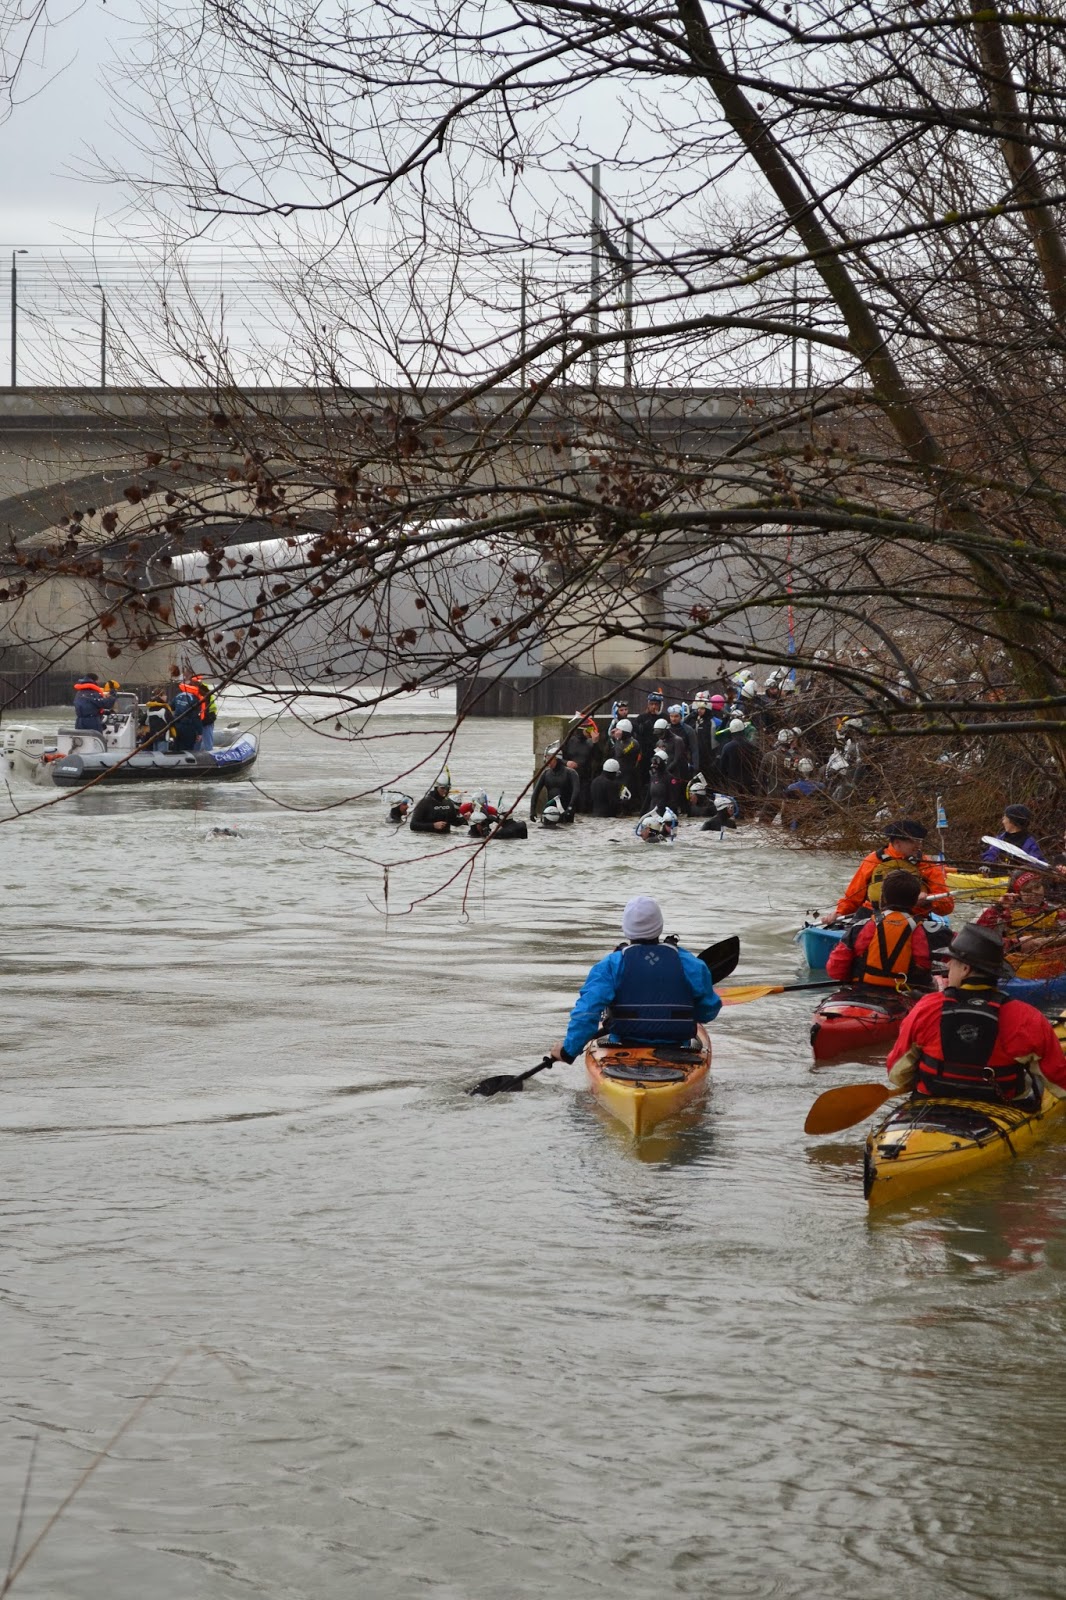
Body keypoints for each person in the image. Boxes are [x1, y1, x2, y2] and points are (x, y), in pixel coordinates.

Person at [885, 924, 1066, 1103]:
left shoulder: (927, 1007)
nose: (948, 970)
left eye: (951, 964)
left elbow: (896, 1072)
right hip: (1000, 1106)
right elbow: (1059, 1081)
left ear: (965, 969)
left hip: (931, 1100)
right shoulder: (1027, 1017)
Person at [549, 895, 721, 1062]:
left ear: (626, 928)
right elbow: (708, 1011)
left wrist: (568, 1051)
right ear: (659, 926)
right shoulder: (692, 964)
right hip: (677, 1047)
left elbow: (587, 1011)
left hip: (622, 1044)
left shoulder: (610, 965)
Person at [828, 819, 954, 923]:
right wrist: (838, 913)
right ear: (897, 842)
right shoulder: (873, 861)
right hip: (872, 917)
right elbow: (853, 897)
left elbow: (947, 906)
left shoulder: (927, 865)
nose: (919, 845)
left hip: (913, 919)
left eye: (920, 841)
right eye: (913, 841)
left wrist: (928, 901)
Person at [825, 871, 933, 990]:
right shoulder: (926, 930)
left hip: (862, 990)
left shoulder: (860, 926)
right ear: (914, 901)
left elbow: (835, 970)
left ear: (883, 898)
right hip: (906, 992)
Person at [974, 871, 1066, 978]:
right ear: (1019, 893)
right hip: (1016, 962)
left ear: (1043, 888)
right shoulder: (1008, 913)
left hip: (1048, 960)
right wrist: (997, 908)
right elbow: (981, 935)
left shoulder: (1058, 912)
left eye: (1037, 887)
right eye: (1027, 891)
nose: (1034, 894)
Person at [981, 804, 1046, 867]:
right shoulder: (1001, 838)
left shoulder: (1029, 843)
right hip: (998, 874)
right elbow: (992, 852)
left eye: (1005, 818)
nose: (1003, 822)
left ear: (1012, 821)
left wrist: (1022, 871)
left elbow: (1037, 863)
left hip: (1017, 876)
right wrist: (987, 863)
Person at [530, 746, 579, 820]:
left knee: (566, 829)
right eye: (546, 758)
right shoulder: (546, 774)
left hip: (566, 810)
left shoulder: (571, 773)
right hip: (550, 810)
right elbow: (536, 793)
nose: (547, 761)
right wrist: (532, 810)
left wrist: (570, 807)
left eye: (550, 759)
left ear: (558, 759)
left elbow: (576, 792)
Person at [715, 717, 759, 793]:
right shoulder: (751, 746)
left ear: (731, 731)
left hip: (733, 784)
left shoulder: (727, 747)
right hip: (749, 783)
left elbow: (722, 768)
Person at [608, 718, 642, 805]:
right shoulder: (619, 741)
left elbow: (620, 753)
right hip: (618, 772)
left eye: (618, 730)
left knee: (625, 792)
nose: (616, 732)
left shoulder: (633, 742)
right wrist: (611, 739)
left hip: (628, 773)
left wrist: (617, 739)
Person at [170, 684, 203, 753]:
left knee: (177, 745)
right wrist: (199, 732)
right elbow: (195, 717)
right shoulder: (194, 698)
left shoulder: (178, 696)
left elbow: (171, 707)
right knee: (188, 747)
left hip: (177, 724)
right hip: (188, 726)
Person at [191, 674, 219, 752]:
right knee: (197, 742)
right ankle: (196, 754)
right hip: (199, 720)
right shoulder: (195, 691)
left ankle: (209, 755)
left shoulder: (204, 690)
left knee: (207, 742)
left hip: (207, 719)